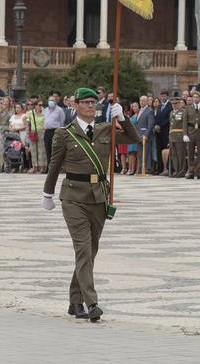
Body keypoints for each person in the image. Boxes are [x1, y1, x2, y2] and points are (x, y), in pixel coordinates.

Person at [41, 87, 139, 322]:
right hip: (73, 197)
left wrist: (123, 119)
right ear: (75, 105)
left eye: (93, 102)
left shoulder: (105, 129)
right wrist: (47, 193)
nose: (90, 106)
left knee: (90, 251)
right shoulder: (64, 134)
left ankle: (75, 302)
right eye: (85, 102)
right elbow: (54, 165)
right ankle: (91, 302)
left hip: (98, 197)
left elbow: (134, 138)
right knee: (83, 249)